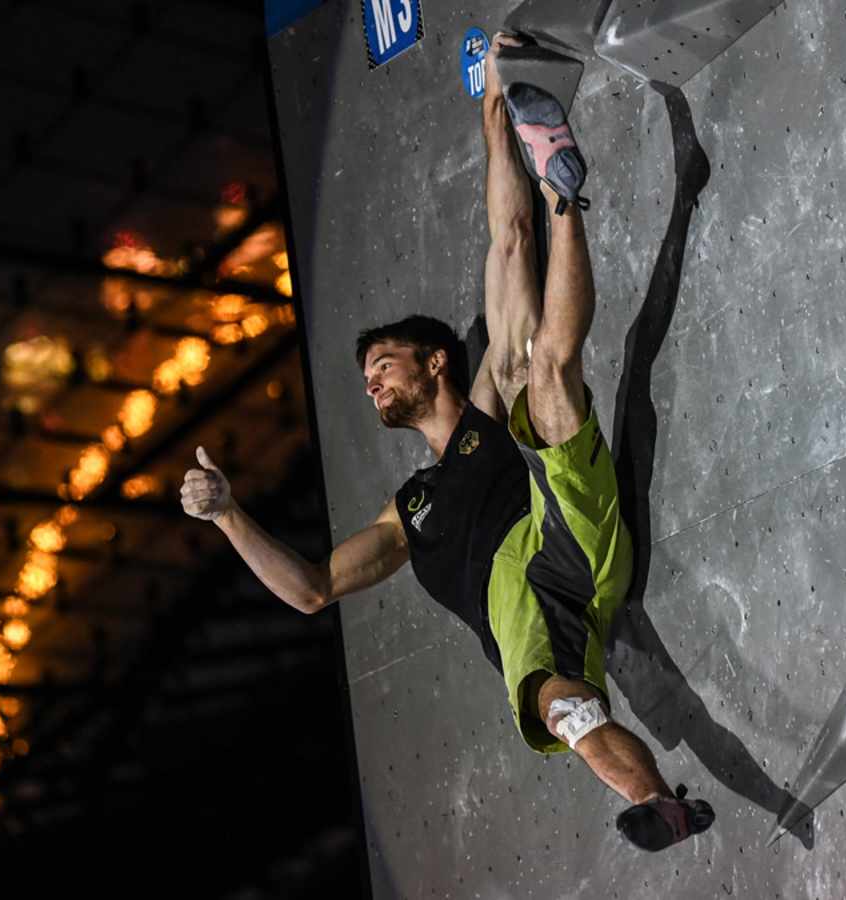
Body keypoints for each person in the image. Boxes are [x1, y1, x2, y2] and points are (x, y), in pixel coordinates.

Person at [179, 34, 711, 852]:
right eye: (365, 380)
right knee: (560, 708)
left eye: (382, 364)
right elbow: (314, 589)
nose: (372, 383)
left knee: (541, 369)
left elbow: (507, 240)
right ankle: (658, 805)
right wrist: (227, 517)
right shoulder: (409, 509)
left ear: (434, 362)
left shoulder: (479, 411)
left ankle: (565, 193)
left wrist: (495, 107)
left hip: (565, 524)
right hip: (541, 617)